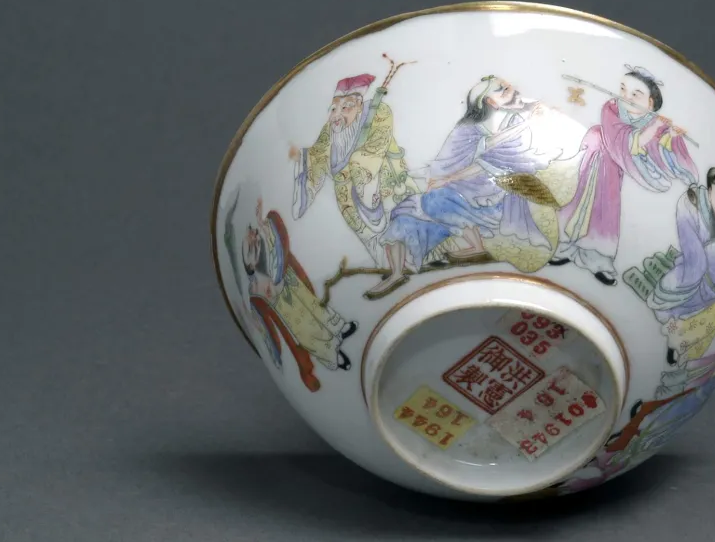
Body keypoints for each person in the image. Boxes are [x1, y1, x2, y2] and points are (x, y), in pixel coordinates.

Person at [367, 75, 577, 298]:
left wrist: (447, 180)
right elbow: (452, 159)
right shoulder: (470, 128)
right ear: (489, 101)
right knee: (404, 213)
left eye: (509, 89)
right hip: (464, 185)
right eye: (503, 90)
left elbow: (489, 161)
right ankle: (397, 273)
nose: (513, 91)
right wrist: (441, 177)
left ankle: (476, 248)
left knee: (438, 200)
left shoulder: (521, 121)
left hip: (488, 190)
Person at [551, 66, 698, 285]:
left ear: (650, 102)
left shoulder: (654, 122)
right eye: (623, 90)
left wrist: (671, 135)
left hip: (610, 176)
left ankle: (597, 260)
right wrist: (654, 129)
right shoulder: (611, 109)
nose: (626, 97)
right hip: (591, 162)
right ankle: (562, 247)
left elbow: (658, 149)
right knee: (575, 205)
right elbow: (624, 142)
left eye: (635, 94)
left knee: (605, 214)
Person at [290, 73, 419, 265]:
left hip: (388, 189)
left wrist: (360, 170)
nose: (337, 115)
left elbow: (375, 149)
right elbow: (316, 157)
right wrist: (302, 157)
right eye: (333, 109)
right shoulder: (329, 131)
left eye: (345, 108)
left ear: (359, 105)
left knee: (408, 233)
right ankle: (392, 272)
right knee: (379, 251)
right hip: (350, 205)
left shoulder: (379, 112)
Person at [242, 197, 357, 392]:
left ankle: (339, 328)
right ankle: (332, 355)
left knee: (315, 307)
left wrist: (261, 222)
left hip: (289, 283)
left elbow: (273, 244)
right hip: (280, 304)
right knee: (306, 330)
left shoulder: (264, 248)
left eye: (254, 236)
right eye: (252, 243)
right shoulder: (255, 278)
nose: (254, 239)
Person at [648, 167, 715, 363]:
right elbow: (694, 256)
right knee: (678, 315)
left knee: (707, 324)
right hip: (695, 282)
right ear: (709, 194)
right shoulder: (690, 205)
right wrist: (699, 271)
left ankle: (683, 355)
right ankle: (672, 347)